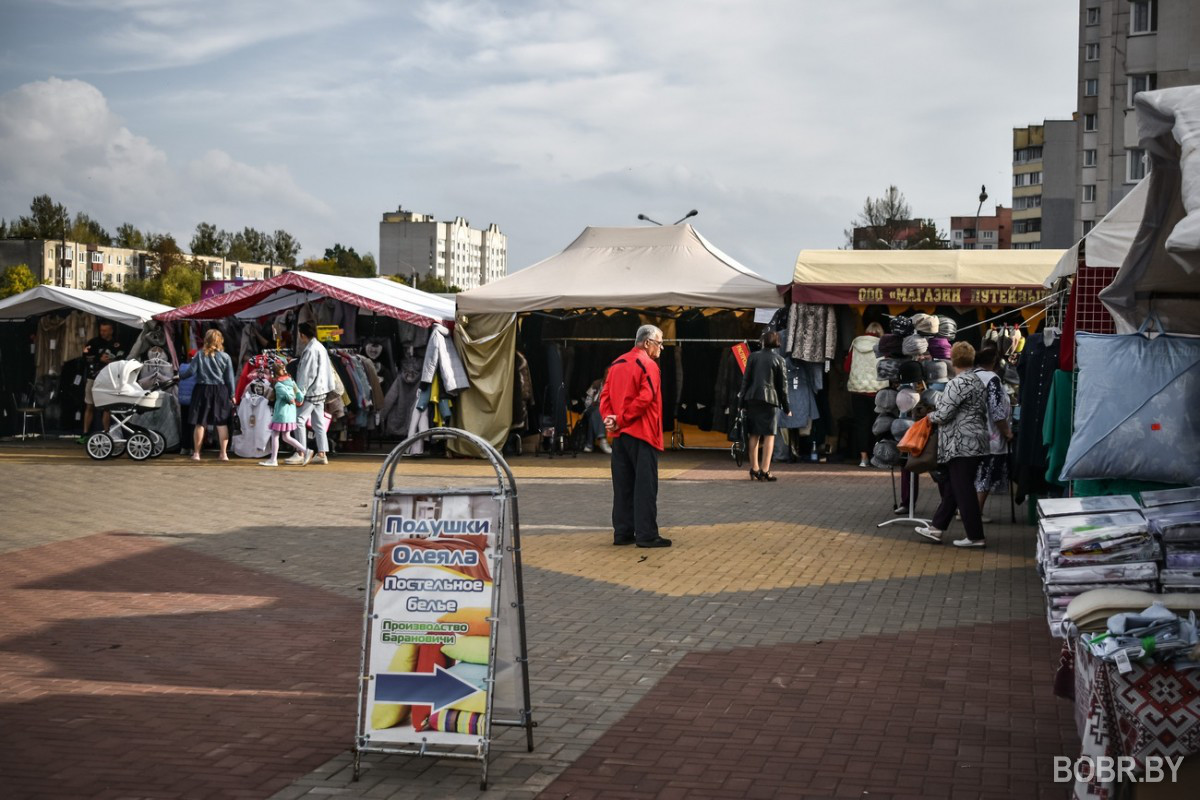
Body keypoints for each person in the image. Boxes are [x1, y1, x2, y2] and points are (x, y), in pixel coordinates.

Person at [599, 325, 670, 548]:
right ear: (647, 342)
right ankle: (647, 534)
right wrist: (622, 418)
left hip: (620, 436)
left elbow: (605, 395)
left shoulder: (617, 363)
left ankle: (623, 532)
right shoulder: (648, 365)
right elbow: (646, 398)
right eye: (659, 343)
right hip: (642, 433)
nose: (661, 348)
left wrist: (610, 418)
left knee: (623, 486)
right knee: (645, 486)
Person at [915, 341, 990, 547]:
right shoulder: (977, 380)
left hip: (960, 444)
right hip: (976, 442)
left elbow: (945, 413)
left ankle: (975, 536)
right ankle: (937, 528)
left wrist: (930, 416)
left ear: (953, 360)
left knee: (963, 490)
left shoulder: (957, 383)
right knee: (954, 488)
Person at [739, 330, 791, 481]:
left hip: (752, 398)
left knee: (753, 433)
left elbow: (746, 381)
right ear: (777, 342)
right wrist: (787, 407)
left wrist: (741, 402)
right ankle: (765, 470)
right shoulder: (779, 360)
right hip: (770, 401)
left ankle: (754, 468)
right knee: (769, 434)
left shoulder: (752, 357)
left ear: (762, 341)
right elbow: (783, 387)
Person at [180, 329, 236, 461]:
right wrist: (232, 394)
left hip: (202, 389)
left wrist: (180, 376)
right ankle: (223, 454)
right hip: (220, 390)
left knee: (200, 423)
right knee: (221, 423)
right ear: (220, 341)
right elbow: (229, 378)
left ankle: (197, 454)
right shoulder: (226, 357)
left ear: (206, 340)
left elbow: (190, 372)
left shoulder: (200, 355)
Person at [972, 346, 1013, 522]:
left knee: (973, 473)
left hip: (970, 433)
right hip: (991, 435)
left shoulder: (969, 376)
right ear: (995, 362)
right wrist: (1007, 431)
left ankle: (965, 510)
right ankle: (976, 512)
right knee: (986, 473)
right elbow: (996, 410)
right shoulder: (992, 380)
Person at [290, 322, 335, 465]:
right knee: (318, 422)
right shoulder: (320, 347)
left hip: (312, 390)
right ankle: (322, 453)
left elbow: (307, 374)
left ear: (302, 335)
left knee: (299, 420)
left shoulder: (310, 350)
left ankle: (301, 452)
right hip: (321, 389)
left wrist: (299, 393)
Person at [844, 322, 886, 467]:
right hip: (877, 390)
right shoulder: (883, 345)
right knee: (878, 424)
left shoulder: (856, 343)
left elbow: (847, 367)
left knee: (861, 423)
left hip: (857, 389)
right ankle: (876, 456)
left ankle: (863, 458)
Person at [80, 321, 126, 442]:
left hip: (110, 379)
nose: (102, 333)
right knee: (89, 405)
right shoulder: (93, 342)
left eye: (105, 331)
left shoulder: (118, 343)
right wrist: (98, 358)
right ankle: (85, 434)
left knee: (107, 407)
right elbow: (84, 357)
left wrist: (112, 361)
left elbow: (123, 360)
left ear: (111, 330)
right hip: (93, 377)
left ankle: (107, 434)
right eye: (101, 330)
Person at [259, 363, 309, 467]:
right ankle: (305, 450)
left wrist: (290, 398)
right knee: (286, 437)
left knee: (275, 435)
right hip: (291, 413)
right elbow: (299, 395)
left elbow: (287, 396)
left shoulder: (278, 384)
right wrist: (298, 401)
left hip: (281, 413)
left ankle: (273, 460)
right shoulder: (291, 381)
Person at [580, 377, 613, 454]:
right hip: (591, 409)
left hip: (606, 411)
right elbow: (588, 400)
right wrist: (592, 404)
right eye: (607, 373)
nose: (608, 375)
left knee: (594, 416)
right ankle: (602, 439)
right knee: (597, 410)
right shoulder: (596, 384)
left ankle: (589, 445)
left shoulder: (616, 384)